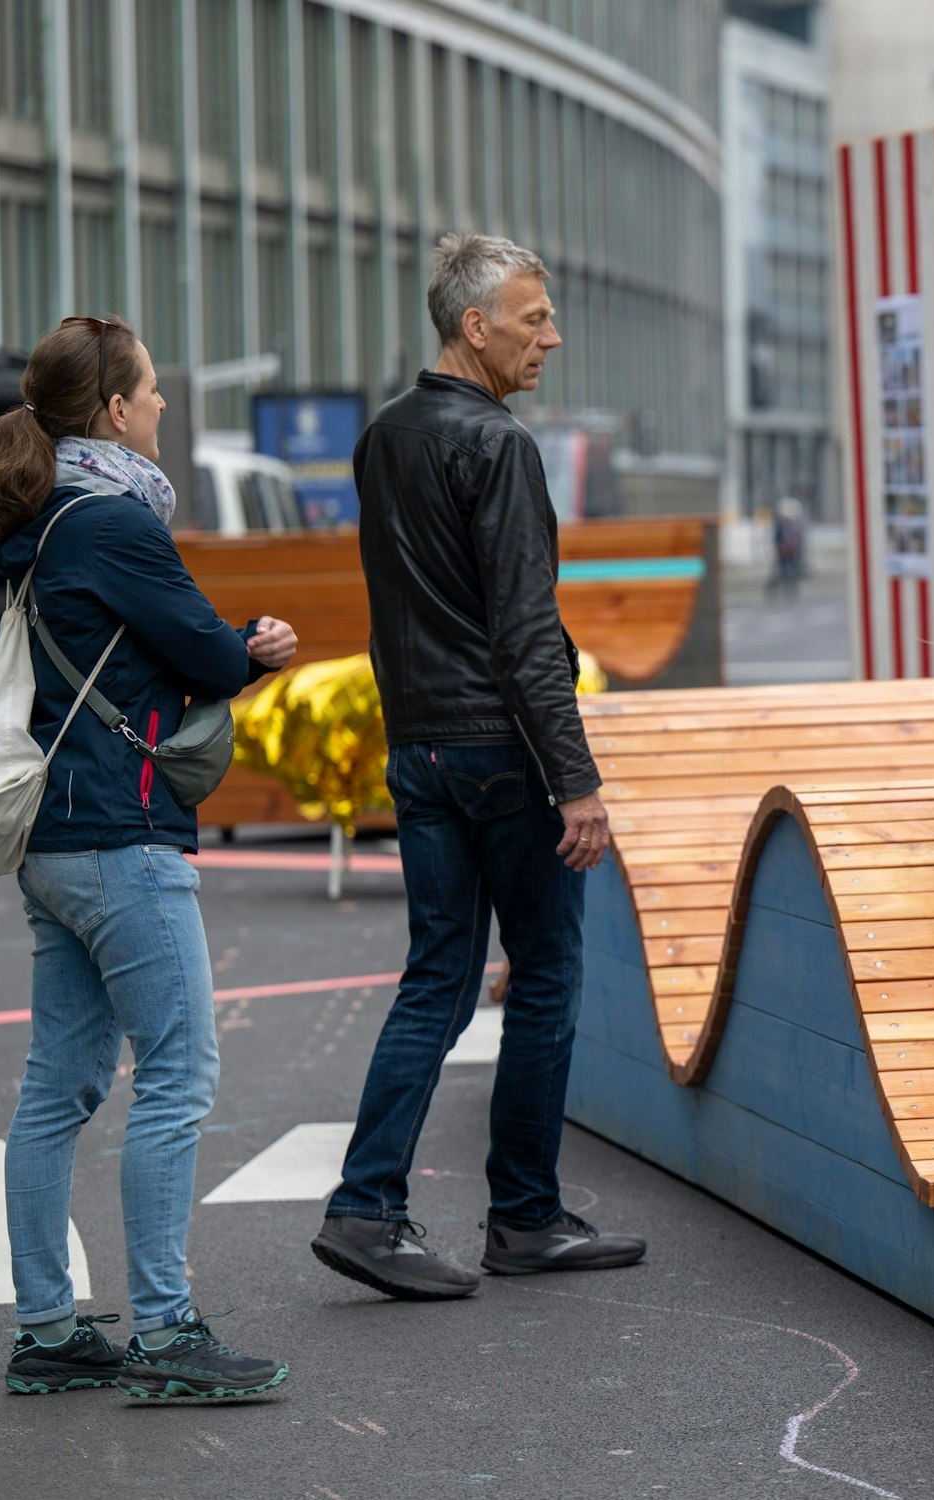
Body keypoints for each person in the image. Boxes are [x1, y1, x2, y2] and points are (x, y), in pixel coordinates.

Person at [310, 234, 645, 1299]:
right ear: (475, 326)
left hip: (419, 744)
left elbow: (402, 607)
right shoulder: (496, 445)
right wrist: (575, 780)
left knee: (437, 979)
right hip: (503, 750)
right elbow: (524, 631)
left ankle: (366, 1207)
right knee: (545, 973)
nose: (551, 336)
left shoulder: (384, 436)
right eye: (532, 318)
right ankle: (525, 1217)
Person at [0, 315, 297, 1397]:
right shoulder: (110, 521)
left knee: (58, 1087)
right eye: (151, 390)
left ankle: (48, 1328)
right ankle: (164, 1331)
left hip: (53, 839)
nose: (161, 403)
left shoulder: (39, 518)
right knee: (179, 1073)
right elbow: (203, 650)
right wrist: (252, 645)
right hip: (122, 834)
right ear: (113, 409)